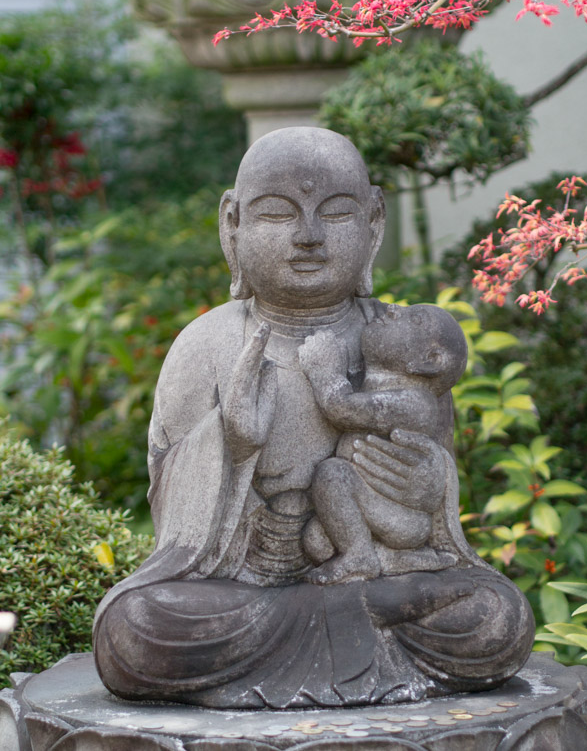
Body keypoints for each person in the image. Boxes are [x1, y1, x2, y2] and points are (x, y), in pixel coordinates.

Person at [93, 127, 534, 709]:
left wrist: (430, 482)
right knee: (135, 629)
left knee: (497, 618)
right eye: (278, 214)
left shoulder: (400, 339)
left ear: (374, 222)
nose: (308, 236)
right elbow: (170, 513)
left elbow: (435, 497)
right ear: (233, 225)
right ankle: (349, 632)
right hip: (248, 590)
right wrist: (230, 444)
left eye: (337, 213)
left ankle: (344, 617)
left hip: (375, 573)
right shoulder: (205, 346)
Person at [298, 305, 463, 584]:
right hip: (372, 506)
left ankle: (359, 558)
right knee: (317, 542)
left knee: (332, 475)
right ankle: (391, 558)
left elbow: (341, 408)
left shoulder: (417, 402)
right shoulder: (384, 387)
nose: (395, 309)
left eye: (415, 319)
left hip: (400, 516)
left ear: (430, 361)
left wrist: (324, 370)